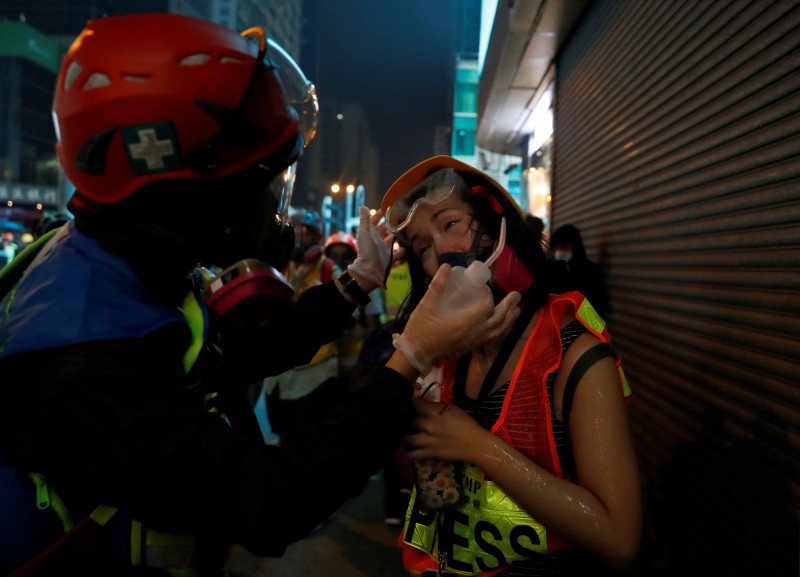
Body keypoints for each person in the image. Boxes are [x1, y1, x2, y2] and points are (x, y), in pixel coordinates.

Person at [0, 15, 522, 576]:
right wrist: (408, 360)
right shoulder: (83, 354)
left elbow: (241, 350)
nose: (274, 209)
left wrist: (355, 285)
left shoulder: (118, 263)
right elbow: (269, 500)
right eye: (261, 185)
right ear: (189, 191)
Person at [381, 156, 642, 576]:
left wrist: (476, 445)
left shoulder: (576, 359)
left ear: (494, 227)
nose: (441, 253)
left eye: (450, 225)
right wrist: (403, 433)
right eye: (423, 247)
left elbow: (619, 539)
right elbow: (442, 498)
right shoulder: (443, 362)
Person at [260, 209, 343, 442]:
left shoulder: (329, 269)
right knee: (281, 433)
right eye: (295, 231)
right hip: (278, 371)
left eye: (306, 233)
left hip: (315, 371)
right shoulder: (281, 266)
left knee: (306, 436)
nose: (299, 237)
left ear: (318, 238)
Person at [323, 230, 385, 382]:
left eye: (345, 257)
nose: (339, 262)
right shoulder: (322, 285)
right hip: (324, 369)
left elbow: (372, 325)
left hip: (354, 366)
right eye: (334, 257)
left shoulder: (363, 287)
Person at [548, 223, 609, 318]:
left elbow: (598, 304)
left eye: (564, 247)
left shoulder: (590, 271)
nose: (559, 251)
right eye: (557, 247)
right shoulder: (551, 270)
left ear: (575, 247)